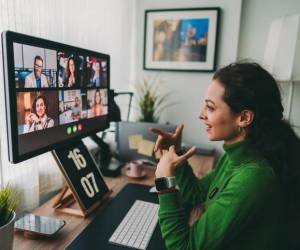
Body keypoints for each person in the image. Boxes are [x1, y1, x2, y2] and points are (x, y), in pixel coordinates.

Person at [150, 62, 300, 250]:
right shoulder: (238, 153)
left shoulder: (254, 177)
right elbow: (197, 194)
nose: (201, 114)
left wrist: (164, 183)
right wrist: (176, 152)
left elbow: (184, 247)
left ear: (244, 118)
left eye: (210, 108)